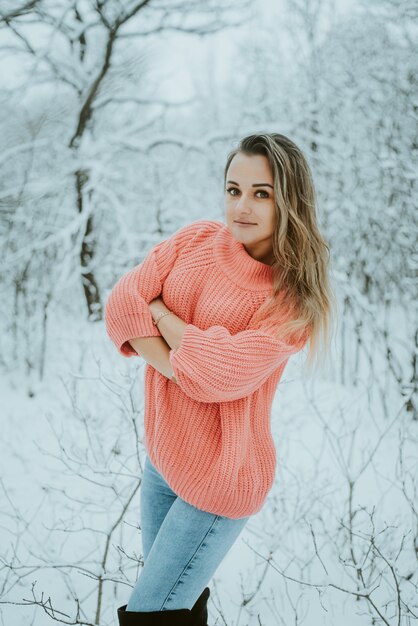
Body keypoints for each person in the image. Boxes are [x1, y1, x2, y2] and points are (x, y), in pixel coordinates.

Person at [104, 132, 335, 625]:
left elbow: (217, 376)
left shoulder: (291, 302)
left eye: (261, 193)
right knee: (173, 604)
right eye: (234, 189)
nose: (242, 207)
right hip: (164, 459)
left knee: (152, 612)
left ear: (289, 202)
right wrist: (183, 354)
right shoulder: (195, 241)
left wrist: (161, 315)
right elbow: (122, 302)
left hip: (221, 478)